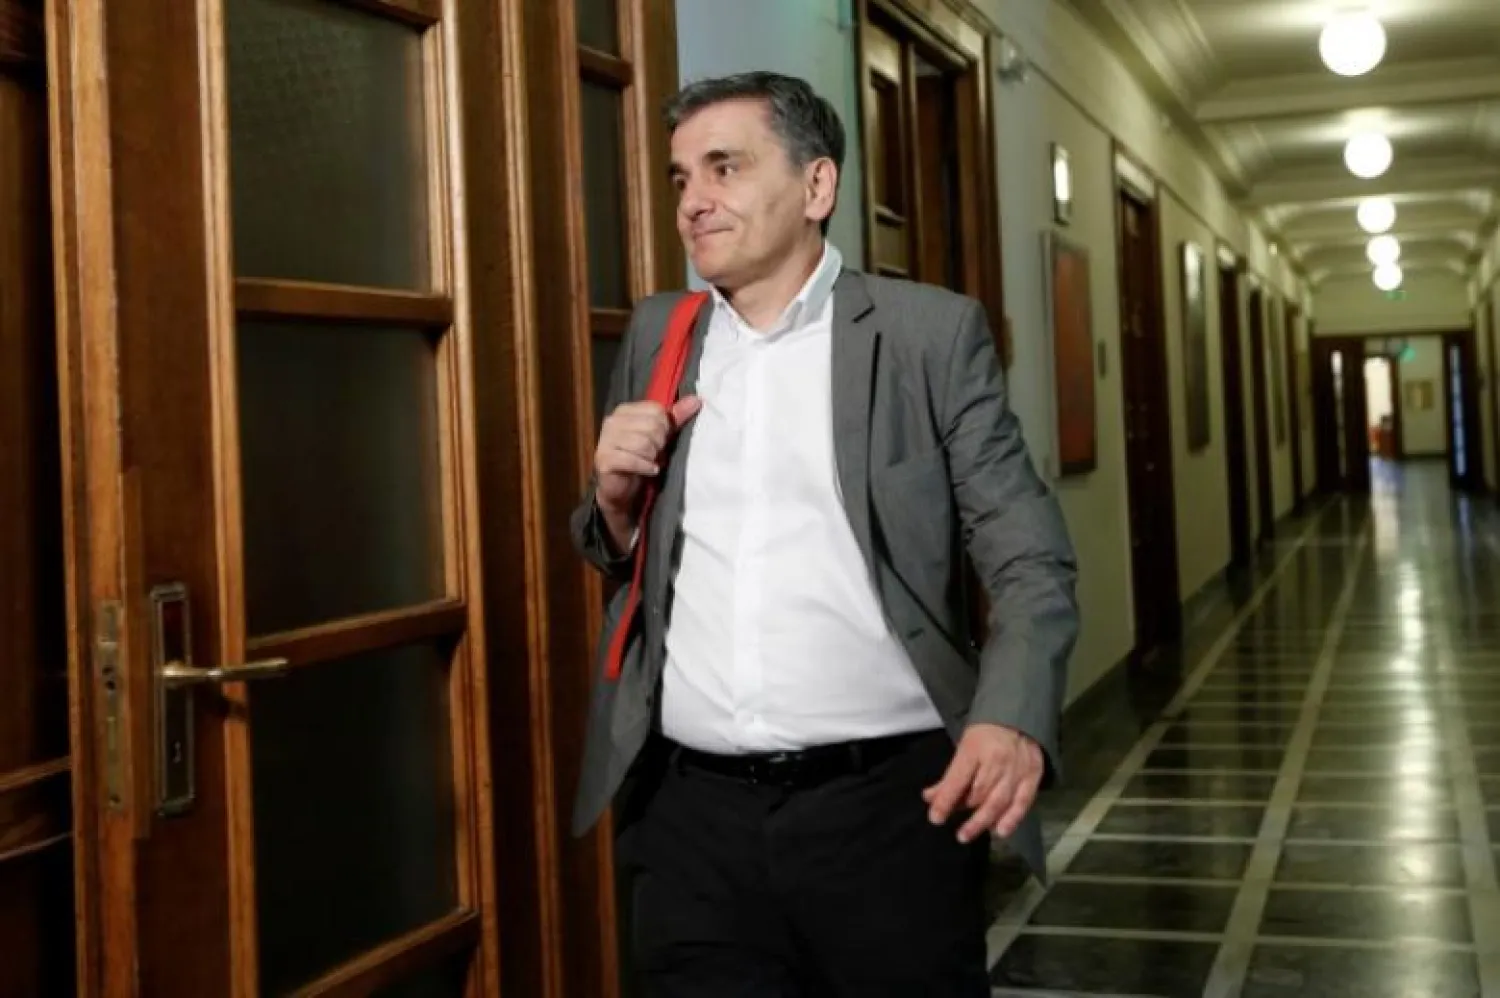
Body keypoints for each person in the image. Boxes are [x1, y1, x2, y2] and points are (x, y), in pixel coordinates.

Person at [570, 71, 1079, 997]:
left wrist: (1010, 715)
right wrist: (609, 500)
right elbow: (617, 547)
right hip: (688, 819)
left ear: (817, 188)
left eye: (724, 167)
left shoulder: (929, 336)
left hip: (885, 813)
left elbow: (1030, 558)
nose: (693, 201)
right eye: (682, 177)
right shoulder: (659, 333)